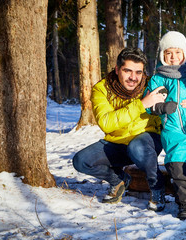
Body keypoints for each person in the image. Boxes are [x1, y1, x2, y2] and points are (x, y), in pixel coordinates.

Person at [73, 47, 167, 212]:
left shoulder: (151, 85)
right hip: (117, 143)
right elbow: (107, 123)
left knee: (137, 146)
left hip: (146, 141)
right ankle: (118, 180)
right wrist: (142, 104)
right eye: (127, 71)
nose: (133, 77)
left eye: (139, 72)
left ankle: (157, 187)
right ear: (117, 69)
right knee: (81, 161)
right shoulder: (101, 89)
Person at [144, 31, 186, 220]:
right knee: (177, 163)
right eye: (169, 53)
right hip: (173, 129)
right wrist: (161, 107)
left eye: (178, 53)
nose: (173, 57)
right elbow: (148, 105)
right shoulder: (158, 78)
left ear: (185, 54)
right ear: (163, 55)